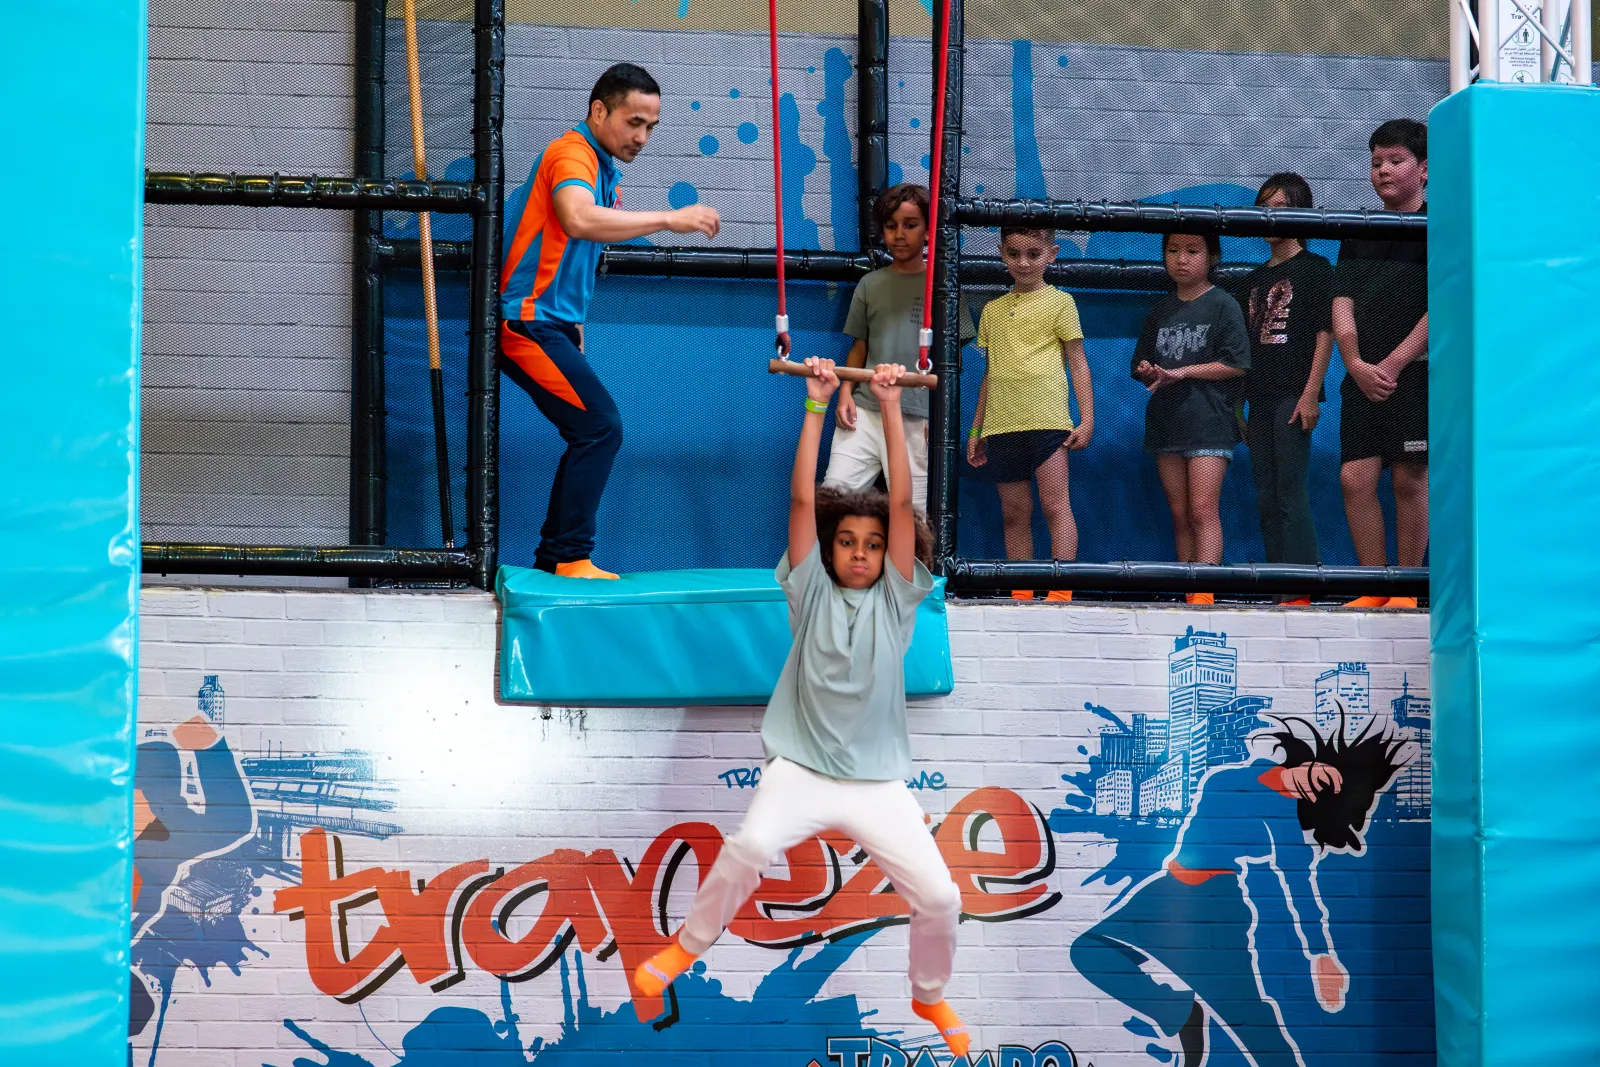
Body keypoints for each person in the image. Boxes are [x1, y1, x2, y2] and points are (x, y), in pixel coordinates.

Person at [634, 358, 970, 1059]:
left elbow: (902, 506)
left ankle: (928, 993)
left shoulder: (896, 600)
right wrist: (816, 406)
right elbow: (798, 504)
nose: (860, 553)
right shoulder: (810, 591)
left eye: (872, 545)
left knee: (941, 899)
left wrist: (887, 406)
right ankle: (683, 949)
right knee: (750, 848)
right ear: (828, 547)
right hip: (801, 770)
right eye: (846, 541)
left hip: (876, 782)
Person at [1070, 712, 1409, 1067]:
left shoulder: (1283, 819)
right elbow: (1260, 781)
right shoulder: (1239, 776)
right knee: (1090, 950)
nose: (1313, 783)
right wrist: (1296, 774)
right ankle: (1178, 1011)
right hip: (1166, 892)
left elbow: (1299, 887)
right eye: (1321, 775)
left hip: (1213, 908)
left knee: (1250, 1022)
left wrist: (1320, 955)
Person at [499, 63, 722, 579]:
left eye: (651, 127)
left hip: (552, 323)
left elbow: (568, 253)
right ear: (599, 112)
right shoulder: (572, 153)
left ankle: (556, 558)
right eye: (633, 122)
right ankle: (567, 557)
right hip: (526, 322)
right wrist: (669, 218)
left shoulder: (604, 169)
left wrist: (575, 324)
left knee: (594, 428)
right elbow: (577, 217)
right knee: (600, 427)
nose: (642, 137)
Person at [966, 227, 1094, 602]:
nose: (1023, 262)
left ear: (1051, 254)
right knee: (1014, 512)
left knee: (1056, 506)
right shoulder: (992, 310)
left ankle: (1061, 591)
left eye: (1033, 254)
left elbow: (1078, 363)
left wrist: (1086, 419)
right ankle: (1020, 593)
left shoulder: (1061, 302)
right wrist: (976, 429)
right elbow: (990, 372)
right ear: (1001, 252)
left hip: (1049, 423)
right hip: (1002, 426)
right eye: (1014, 253)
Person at [826, 184, 973, 512]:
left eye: (910, 224)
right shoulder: (870, 284)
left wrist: (939, 415)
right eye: (891, 226)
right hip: (864, 411)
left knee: (913, 515)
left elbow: (953, 361)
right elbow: (860, 346)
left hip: (916, 416)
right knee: (833, 502)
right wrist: (845, 393)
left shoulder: (945, 287)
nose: (900, 234)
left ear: (928, 231)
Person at [1333, 119, 1428, 609]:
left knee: (1409, 478)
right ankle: (1375, 586)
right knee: (1355, 478)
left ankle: (1406, 590)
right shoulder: (1358, 230)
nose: (1383, 171)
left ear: (1424, 169)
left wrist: (1394, 362)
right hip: (1362, 377)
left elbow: (1443, 305)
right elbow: (1341, 302)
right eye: (1375, 163)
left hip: (1415, 375)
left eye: (1395, 161)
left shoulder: (1441, 226)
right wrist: (1354, 363)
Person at [1133, 233, 1251, 606]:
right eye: (1172, 251)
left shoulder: (1223, 305)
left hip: (1210, 423)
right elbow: (1141, 364)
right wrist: (1148, 369)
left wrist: (1183, 372)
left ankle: (1205, 593)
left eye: (1192, 251)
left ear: (1212, 256)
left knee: (1202, 510)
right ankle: (1189, 593)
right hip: (1167, 423)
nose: (1181, 259)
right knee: (1180, 513)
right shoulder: (1160, 310)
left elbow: (1236, 363)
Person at [1241, 174, 1334, 604]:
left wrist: (1310, 393)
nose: (1270, 216)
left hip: (1293, 394)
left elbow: (1323, 332)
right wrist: (1239, 407)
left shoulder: (1315, 269)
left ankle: (1303, 587)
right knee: (1266, 494)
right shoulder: (1252, 279)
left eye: (1279, 207)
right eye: (1264, 207)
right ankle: (1280, 584)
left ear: (1300, 213)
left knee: (1290, 492)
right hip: (1258, 396)